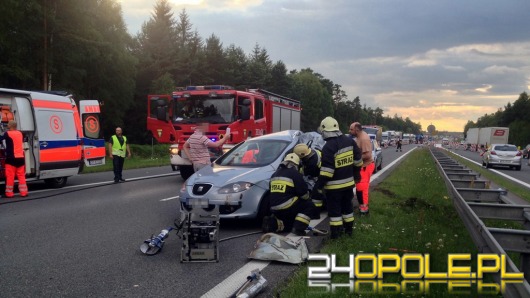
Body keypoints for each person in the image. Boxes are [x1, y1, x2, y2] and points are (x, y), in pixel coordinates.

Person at [312, 117, 363, 239]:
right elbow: (358, 161)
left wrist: (318, 186)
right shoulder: (349, 141)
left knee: (335, 213)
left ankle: (336, 236)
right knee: (347, 209)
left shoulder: (328, 147)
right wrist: (356, 174)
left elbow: (327, 172)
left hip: (334, 188)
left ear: (325, 130)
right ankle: (349, 232)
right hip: (348, 185)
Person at [262, 153, 314, 236]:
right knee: (309, 205)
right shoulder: (295, 174)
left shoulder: (274, 174)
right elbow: (303, 194)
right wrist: (309, 195)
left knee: (290, 224)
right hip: (287, 207)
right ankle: (299, 229)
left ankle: (272, 224)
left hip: (274, 208)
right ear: (296, 164)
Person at [349, 122, 374, 215]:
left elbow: (368, 154)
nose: (350, 131)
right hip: (362, 166)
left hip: (365, 166)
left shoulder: (363, 139)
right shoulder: (358, 137)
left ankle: (364, 209)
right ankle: (362, 206)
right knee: (361, 188)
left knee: (362, 189)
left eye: (351, 129)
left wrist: (354, 158)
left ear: (357, 130)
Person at [0, 120, 28, 197]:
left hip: (11, 158)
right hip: (20, 158)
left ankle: (9, 193)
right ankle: (24, 192)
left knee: (10, 176)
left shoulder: (8, 133)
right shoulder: (20, 133)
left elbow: (1, 139)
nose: (7, 125)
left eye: (8, 124)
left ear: (11, 126)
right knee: (21, 176)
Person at [293, 143, 323, 214]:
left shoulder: (311, 163)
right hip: (320, 172)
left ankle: (317, 210)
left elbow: (304, 173)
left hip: (319, 176)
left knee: (316, 194)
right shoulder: (311, 151)